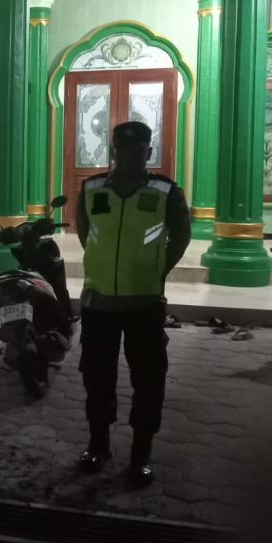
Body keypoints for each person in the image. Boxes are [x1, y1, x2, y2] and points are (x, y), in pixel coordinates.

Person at [74, 121, 190, 485]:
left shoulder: (166, 191)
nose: (128, 156)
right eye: (121, 150)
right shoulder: (91, 188)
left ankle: (141, 454)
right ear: (112, 152)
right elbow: (85, 233)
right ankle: (98, 445)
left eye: (137, 150)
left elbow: (180, 237)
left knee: (149, 380)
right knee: (96, 378)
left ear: (148, 152)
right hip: (98, 303)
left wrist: (156, 270)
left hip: (144, 304)